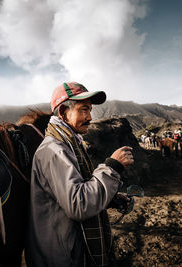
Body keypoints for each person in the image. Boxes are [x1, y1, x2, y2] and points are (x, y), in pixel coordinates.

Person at [26, 82, 134, 267]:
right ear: (62, 113)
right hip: (62, 257)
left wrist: (109, 199)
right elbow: (78, 204)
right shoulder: (54, 150)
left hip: (72, 250)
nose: (90, 117)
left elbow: (73, 191)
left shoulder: (70, 143)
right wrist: (112, 167)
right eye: (83, 110)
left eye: (90, 110)